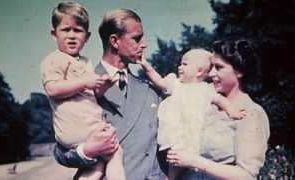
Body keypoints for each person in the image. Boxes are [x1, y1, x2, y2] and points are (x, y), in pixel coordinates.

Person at [40, 2, 125, 180]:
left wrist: (101, 87)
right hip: (76, 127)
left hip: (86, 125)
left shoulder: (85, 62)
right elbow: (53, 89)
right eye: (65, 30)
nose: (71, 36)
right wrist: (86, 81)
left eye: (77, 31)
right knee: (115, 152)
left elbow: (90, 95)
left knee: (99, 164)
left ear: (87, 37)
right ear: (54, 34)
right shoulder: (54, 59)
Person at [166, 39, 270, 179]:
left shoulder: (251, 113)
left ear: (239, 72)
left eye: (219, 67)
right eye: (211, 67)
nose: (210, 73)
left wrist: (195, 161)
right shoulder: (205, 104)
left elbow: (246, 175)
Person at [137, 48, 245, 179]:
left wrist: (231, 109)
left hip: (193, 132)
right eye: (181, 63)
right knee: (174, 157)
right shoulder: (176, 84)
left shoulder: (205, 89)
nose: (179, 67)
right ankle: (171, 177)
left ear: (200, 71)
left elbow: (220, 100)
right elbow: (159, 81)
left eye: (185, 64)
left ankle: (173, 177)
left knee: (186, 157)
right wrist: (146, 66)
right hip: (175, 131)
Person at [92, 9, 167, 179]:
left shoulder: (150, 89)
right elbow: (63, 152)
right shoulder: (83, 86)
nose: (144, 44)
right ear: (115, 41)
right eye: (137, 38)